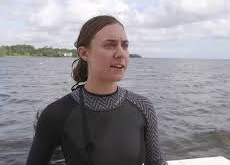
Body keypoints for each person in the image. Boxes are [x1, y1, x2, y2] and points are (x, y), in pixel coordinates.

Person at [26, 15, 168, 165]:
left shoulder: (143, 106)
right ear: (84, 53)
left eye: (125, 45)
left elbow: (156, 162)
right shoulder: (56, 114)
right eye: (110, 45)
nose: (121, 54)